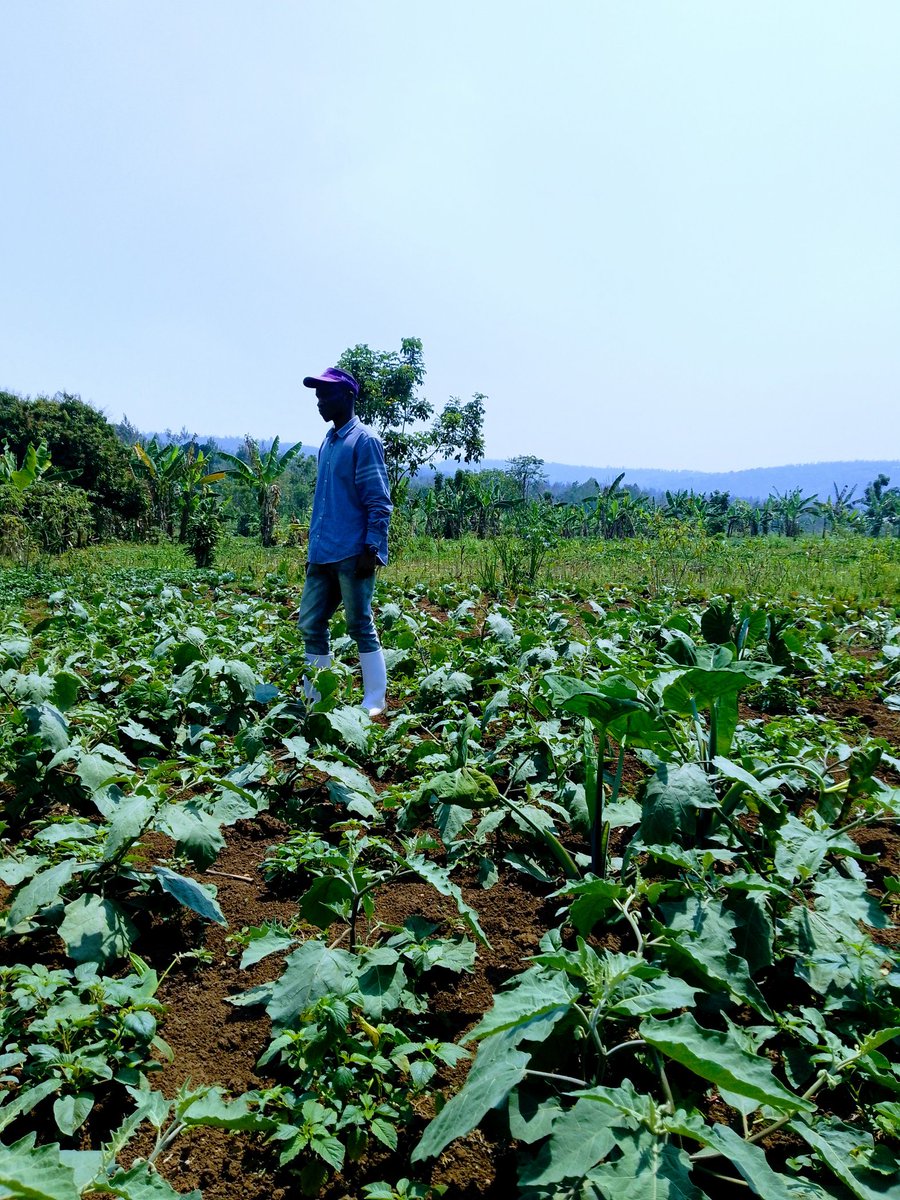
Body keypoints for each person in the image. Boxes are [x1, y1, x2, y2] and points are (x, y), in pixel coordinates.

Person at [298, 366, 392, 716]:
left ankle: (374, 701)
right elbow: (323, 502)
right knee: (310, 623)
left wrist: (372, 547)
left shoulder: (363, 441)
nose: (320, 402)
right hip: (322, 552)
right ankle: (316, 699)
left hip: (354, 552)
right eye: (318, 395)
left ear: (348, 396)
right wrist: (312, 550)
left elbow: (378, 500)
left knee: (359, 624)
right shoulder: (328, 441)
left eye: (327, 394)